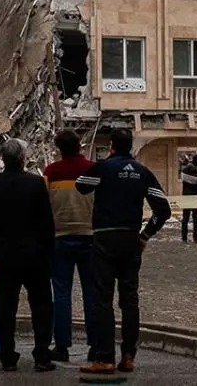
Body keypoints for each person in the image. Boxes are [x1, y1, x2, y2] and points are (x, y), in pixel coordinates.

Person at [77, 128, 172, 376]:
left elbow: (81, 186)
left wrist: (101, 168)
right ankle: (128, 356)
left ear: (111, 146)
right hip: (131, 240)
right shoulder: (142, 172)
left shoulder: (103, 168)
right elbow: (163, 210)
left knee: (102, 300)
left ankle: (105, 358)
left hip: (104, 238)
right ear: (130, 147)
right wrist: (145, 235)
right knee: (129, 300)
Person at [0, 138, 55, 373]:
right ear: (23, 158)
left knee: (5, 306)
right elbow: (46, 222)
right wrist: (48, 250)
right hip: (34, 254)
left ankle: (7, 355)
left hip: (4, 254)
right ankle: (42, 354)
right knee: (41, 305)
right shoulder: (35, 184)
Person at [42, 129, 95, 363]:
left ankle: (62, 345)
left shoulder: (51, 172)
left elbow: (43, 206)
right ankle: (96, 345)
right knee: (92, 294)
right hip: (90, 236)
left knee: (61, 294)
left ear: (59, 149)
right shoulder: (94, 170)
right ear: (80, 146)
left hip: (60, 238)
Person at [179, 155, 197, 243]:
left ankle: (184, 237)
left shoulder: (184, 171)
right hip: (196, 198)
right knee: (196, 218)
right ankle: (196, 237)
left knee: (185, 217)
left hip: (186, 197)